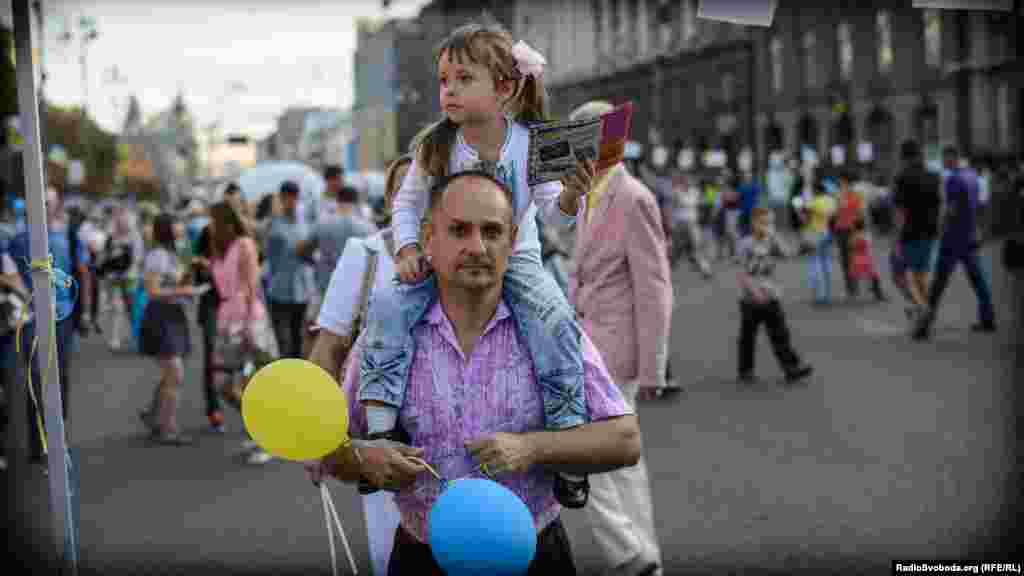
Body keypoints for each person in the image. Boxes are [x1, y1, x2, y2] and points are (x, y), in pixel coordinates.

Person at [313, 171, 639, 574]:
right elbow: (331, 449)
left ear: (513, 241)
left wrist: (533, 448)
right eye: (459, 230)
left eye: (492, 231)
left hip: (534, 556)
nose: (477, 247)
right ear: (428, 238)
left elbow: (625, 440)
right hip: (422, 558)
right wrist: (363, 458)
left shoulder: (551, 331)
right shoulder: (385, 338)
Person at [357, 22, 595, 508]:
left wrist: (572, 195)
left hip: (517, 258)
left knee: (555, 318)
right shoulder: (435, 143)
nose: (449, 90)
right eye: (444, 80)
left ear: (504, 88)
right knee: (385, 303)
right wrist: (407, 251)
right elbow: (407, 204)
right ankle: (381, 429)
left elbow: (553, 215)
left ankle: (568, 440)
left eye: (464, 79)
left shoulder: (535, 142)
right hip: (444, 259)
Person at [567, 100, 672, 575]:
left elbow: (655, 288)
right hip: (590, 344)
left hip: (615, 349)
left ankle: (629, 553)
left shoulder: (633, 198)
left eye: (581, 136)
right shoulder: (590, 194)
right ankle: (643, 557)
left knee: (586, 450)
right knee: (624, 465)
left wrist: (654, 367)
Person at [308, 154, 411, 576]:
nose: (415, 197)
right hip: (378, 434)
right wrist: (315, 435)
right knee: (390, 555)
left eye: (427, 186)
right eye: (404, 189)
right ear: (389, 200)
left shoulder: (462, 253)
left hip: (455, 434)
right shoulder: (364, 254)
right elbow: (327, 349)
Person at [2, 186, 82, 462]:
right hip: (34, 320)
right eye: (40, 202)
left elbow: (75, 275)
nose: (45, 207)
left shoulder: (65, 236)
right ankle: (40, 442)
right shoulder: (17, 240)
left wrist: (80, 314)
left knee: (61, 375)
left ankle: (57, 436)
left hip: (63, 318)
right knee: (37, 377)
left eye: (49, 203)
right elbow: (8, 274)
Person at [208, 201, 279, 464]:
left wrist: (249, 324)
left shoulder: (244, 245)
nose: (211, 226)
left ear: (227, 222)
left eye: (214, 220)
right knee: (223, 384)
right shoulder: (220, 248)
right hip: (227, 319)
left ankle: (265, 438)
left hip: (248, 320)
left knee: (254, 383)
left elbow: (252, 286)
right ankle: (257, 427)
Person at [915, 146, 997, 339]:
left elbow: (951, 210)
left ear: (952, 157)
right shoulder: (972, 177)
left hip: (953, 238)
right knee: (978, 280)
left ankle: (924, 325)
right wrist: (979, 231)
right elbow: (980, 206)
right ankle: (988, 318)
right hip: (969, 235)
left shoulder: (953, 179)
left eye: (945, 158)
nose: (943, 163)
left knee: (938, 283)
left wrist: (940, 229)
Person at [138, 213, 203, 445]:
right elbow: (153, 291)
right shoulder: (157, 255)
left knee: (171, 373)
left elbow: (173, 283)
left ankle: (154, 416)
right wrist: (184, 291)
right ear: (167, 228)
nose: (181, 227)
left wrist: (189, 276)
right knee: (175, 372)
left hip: (173, 315)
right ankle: (168, 427)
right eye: (177, 223)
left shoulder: (172, 253)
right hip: (161, 317)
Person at [737, 207, 814, 384]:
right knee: (748, 335)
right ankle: (745, 369)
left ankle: (791, 368)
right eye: (763, 223)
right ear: (753, 224)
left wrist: (803, 247)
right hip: (750, 298)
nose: (767, 227)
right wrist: (753, 291)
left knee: (780, 333)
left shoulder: (772, 241)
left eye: (770, 223)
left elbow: (787, 254)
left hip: (771, 293)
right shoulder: (745, 244)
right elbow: (742, 272)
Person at [297, 183, 374, 356]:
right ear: (357, 202)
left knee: (313, 336)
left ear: (337, 200)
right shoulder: (368, 228)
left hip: (323, 288)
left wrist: (315, 263)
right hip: (355, 297)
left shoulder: (323, 222)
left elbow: (301, 249)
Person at [892, 139, 942, 320]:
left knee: (901, 274)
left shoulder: (902, 177)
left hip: (909, 232)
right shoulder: (933, 176)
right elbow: (940, 204)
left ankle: (922, 308)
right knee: (921, 273)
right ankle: (924, 309)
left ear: (903, 157)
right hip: (929, 231)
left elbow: (900, 211)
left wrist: (896, 238)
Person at [264, 181, 312, 359]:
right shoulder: (274, 224)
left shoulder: (305, 222)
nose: (292, 202)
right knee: (282, 339)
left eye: (295, 198)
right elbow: (270, 256)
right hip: (279, 287)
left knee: (298, 335)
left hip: (302, 288)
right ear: (282, 198)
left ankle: (296, 369)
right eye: (288, 198)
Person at [803, 181, 837, 305]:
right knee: (826, 263)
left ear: (816, 191)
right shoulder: (831, 201)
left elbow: (805, 215)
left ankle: (818, 295)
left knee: (814, 263)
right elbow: (833, 216)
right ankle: (827, 294)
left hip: (814, 232)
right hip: (827, 232)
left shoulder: (815, 201)